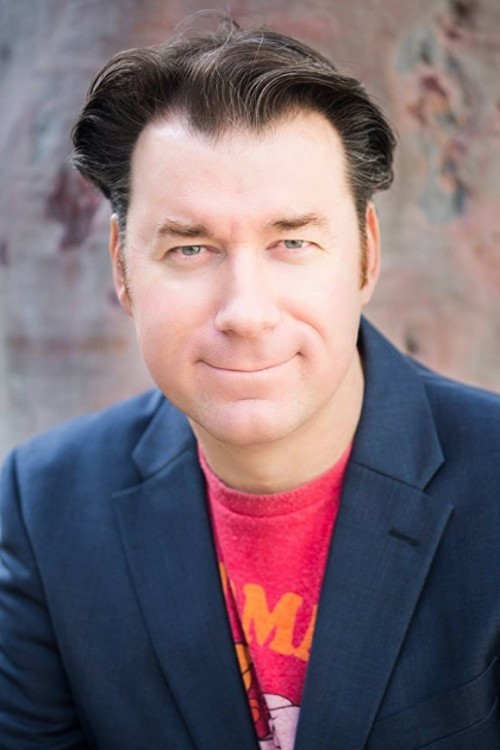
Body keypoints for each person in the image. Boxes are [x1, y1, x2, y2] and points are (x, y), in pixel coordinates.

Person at [1, 18, 499, 750]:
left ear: (365, 256)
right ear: (122, 268)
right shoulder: (44, 510)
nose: (245, 312)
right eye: (191, 247)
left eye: (292, 241)